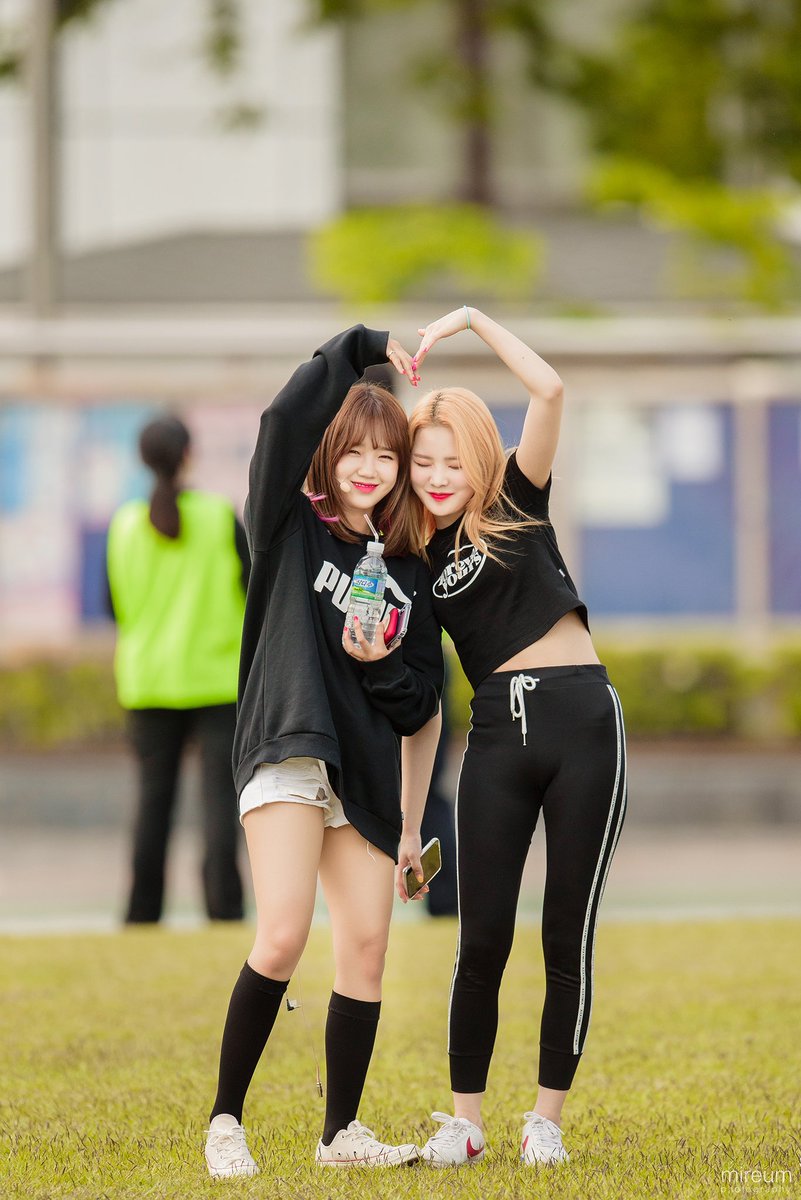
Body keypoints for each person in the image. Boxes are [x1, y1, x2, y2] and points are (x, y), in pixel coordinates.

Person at [204, 325, 444, 1177]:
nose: (369, 468)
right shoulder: (286, 527)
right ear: (329, 454)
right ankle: (225, 1122)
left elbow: (423, 702)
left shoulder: (409, 563)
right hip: (290, 750)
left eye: (386, 454)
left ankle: (340, 1133)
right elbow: (280, 421)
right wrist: (364, 346)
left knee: (368, 947)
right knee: (281, 934)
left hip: (364, 771)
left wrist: (378, 665)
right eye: (354, 450)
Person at [403, 307, 627, 1167]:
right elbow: (417, 699)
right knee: (480, 939)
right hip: (495, 736)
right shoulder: (413, 555)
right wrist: (407, 825)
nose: (437, 477)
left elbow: (549, 388)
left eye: (452, 460)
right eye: (422, 463)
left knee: (565, 933)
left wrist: (469, 322)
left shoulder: (517, 496)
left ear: (480, 458)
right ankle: (465, 1121)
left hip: (582, 723)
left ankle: (545, 1121)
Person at [106, 415, 248, 925]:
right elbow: (252, 592)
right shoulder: (219, 517)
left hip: (148, 682)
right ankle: (224, 912)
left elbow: (114, 606)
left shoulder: (124, 525)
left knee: (152, 805)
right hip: (216, 681)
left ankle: (142, 915)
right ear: (189, 455)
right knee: (220, 806)